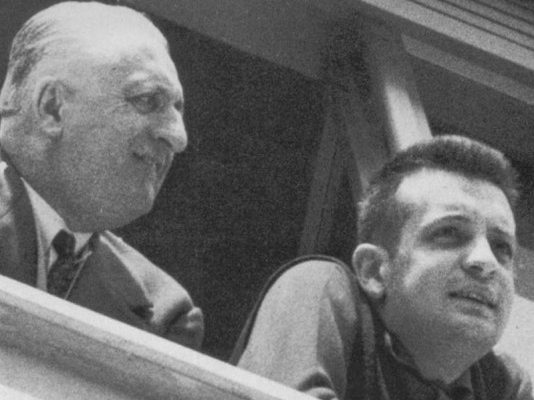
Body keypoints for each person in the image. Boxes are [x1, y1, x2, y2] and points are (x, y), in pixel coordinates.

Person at [233, 135, 533, 399]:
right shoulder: (320, 286)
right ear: (374, 271)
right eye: (449, 233)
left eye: (502, 247)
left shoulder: (504, 386)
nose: (486, 261)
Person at [0, 2, 203, 349]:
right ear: (52, 107)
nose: (178, 137)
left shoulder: (166, 315)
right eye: (147, 100)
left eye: (177, 109)